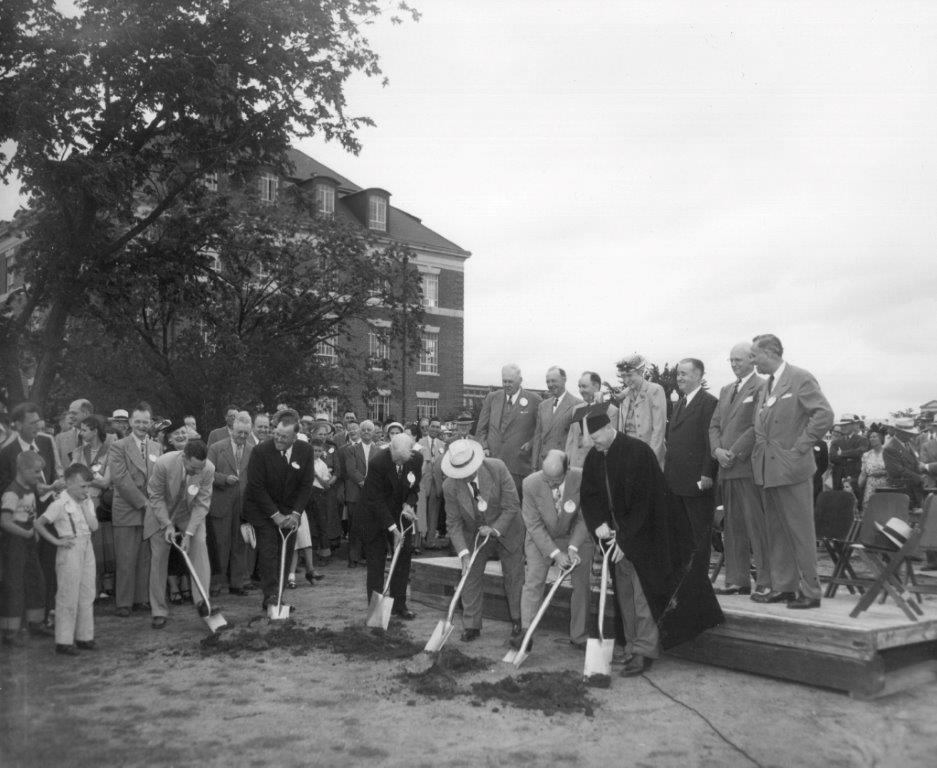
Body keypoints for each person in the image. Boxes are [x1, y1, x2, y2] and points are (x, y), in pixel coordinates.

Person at [580, 412, 723, 677]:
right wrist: (598, 522)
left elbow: (647, 502)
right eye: (591, 440)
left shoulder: (638, 452)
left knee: (641, 594)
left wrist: (626, 538)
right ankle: (631, 644)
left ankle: (645, 651)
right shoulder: (594, 456)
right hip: (615, 537)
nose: (594, 444)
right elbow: (589, 495)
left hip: (646, 537)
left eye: (597, 437)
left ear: (609, 428)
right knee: (623, 594)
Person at [751, 334, 834, 609]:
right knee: (776, 532)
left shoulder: (800, 377)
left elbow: (823, 414)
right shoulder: (766, 386)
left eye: (755, 355)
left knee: (800, 531)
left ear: (770, 352)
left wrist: (800, 447)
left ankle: (810, 590)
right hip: (769, 471)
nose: (753, 361)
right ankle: (784, 586)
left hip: (793, 469)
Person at [441, 439, 524, 641]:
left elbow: (512, 505)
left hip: (507, 528)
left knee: (514, 576)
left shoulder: (497, 468)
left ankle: (519, 621)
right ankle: (472, 625)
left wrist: (494, 529)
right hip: (475, 533)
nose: (465, 475)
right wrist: (463, 553)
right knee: (469, 575)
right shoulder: (449, 485)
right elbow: (453, 523)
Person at [515, 449, 593, 650]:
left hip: (575, 535)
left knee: (582, 584)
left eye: (555, 480)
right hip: (542, 536)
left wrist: (573, 547)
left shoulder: (582, 478)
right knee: (533, 581)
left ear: (566, 471)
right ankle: (526, 633)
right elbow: (533, 525)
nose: (550, 484)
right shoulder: (530, 483)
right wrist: (556, 554)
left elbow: (586, 517)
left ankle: (579, 636)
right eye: (546, 479)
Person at [708, 343, 768, 595]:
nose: (734, 364)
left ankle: (766, 581)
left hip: (746, 466)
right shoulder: (725, 390)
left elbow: (758, 425)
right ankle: (736, 579)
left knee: (757, 526)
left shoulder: (763, 386)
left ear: (753, 360)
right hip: (726, 468)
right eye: (731, 360)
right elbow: (714, 425)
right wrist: (717, 451)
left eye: (739, 360)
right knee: (732, 527)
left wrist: (734, 451)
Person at [242, 409, 314, 611]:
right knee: (269, 551)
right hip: (263, 509)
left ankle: (279, 594)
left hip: (290, 511)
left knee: (286, 550)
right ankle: (271, 597)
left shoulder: (305, 450)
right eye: (277, 435)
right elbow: (256, 487)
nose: (278, 440)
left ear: (294, 436)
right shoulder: (260, 452)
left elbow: (306, 485)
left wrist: (296, 514)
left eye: (284, 437)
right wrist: (276, 516)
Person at [0, 402, 66, 624]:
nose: (37, 426)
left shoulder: (47, 442)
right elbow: (5, 487)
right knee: (24, 571)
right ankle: (21, 621)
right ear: (17, 425)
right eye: (31, 423)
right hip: (23, 519)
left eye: (38, 421)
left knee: (48, 567)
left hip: (49, 515)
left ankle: (46, 615)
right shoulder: (7, 453)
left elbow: (57, 471)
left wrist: (57, 485)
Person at [144, 439, 214, 629]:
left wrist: (189, 534)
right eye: (193, 468)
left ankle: (203, 602)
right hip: (161, 512)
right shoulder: (163, 463)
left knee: (199, 546)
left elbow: (202, 503)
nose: (197, 473)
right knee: (159, 559)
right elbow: (155, 496)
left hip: (189, 514)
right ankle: (158, 610)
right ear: (184, 457)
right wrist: (167, 524)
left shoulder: (208, 468)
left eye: (200, 468)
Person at [665, 358, 719, 586]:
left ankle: (698, 578)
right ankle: (683, 575)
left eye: (685, 374)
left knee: (699, 532)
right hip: (676, 480)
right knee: (680, 531)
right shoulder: (679, 403)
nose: (679, 378)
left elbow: (711, 441)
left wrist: (707, 473)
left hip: (697, 480)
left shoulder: (709, 403)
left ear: (699, 375)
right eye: (678, 374)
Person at [357, 433, 422, 620]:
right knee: (376, 563)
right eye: (397, 458)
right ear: (391, 448)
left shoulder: (416, 459)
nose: (400, 462)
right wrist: (393, 529)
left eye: (403, 459)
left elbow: (414, 488)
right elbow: (375, 500)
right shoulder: (378, 462)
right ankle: (376, 610)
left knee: (402, 559)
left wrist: (408, 503)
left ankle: (399, 605)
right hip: (374, 517)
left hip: (401, 514)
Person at [35, 464, 99, 654]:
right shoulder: (59, 503)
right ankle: (63, 641)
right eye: (82, 487)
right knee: (67, 594)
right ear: (68, 484)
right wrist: (56, 541)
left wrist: (85, 505)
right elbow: (39, 523)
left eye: (88, 486)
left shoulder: (86, 502)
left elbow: (94, 527)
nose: (85, 490)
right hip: (69, 549)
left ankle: (84, 636)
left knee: (87, 592)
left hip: (87, 546)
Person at [108, 402, 163, 617]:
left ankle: (141, 599)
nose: (141, 425)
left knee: (145, 558)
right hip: (128, 509)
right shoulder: (118, 446)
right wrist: (144, 503)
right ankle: (123, 603)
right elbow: (121, 480)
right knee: (125, 559)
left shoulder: (157, 447)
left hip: (150, 510)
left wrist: (156, 503)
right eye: (138, 421)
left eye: (145, 422)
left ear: (150, 424)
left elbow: (159, 478)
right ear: (130, 422)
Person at [0, 452, 54, 646]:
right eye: (36, 471)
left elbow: (33, 511)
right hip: (14, 544)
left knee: (35, 579)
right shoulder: (11, 493)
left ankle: (36, 623)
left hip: (30, 541)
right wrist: (25, 534)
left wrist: (34, 532)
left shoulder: (30, 488)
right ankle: (10, 631)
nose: (39, 475)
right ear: (23, 470)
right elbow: (5, 521)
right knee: (14, 584)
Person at [475, 363, 542, 502]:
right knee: (492, 506)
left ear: (520, 380)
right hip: (491, 463)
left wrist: (531, 443)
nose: (506, 384)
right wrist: (484, 446)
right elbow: (481, 429)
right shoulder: (492, 398)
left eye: (510, 381)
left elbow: (541, 430)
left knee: (516, 507)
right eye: (504, 381)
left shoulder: (535, 400)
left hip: (519, 465)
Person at [206, 413, 254, 595]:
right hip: (221, 503)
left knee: (239, 544)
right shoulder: (217, 448)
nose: (242, 436)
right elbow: (206, 473)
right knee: (220, 544)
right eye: (240, 432)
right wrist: (224, 479)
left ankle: (237, 583)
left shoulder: (252, 449)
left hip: (243, 505)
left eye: (246, 433)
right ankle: (216, 584)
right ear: (232, 429)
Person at [611, 353, 667, 469]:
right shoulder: (624, 395)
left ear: (641, 372)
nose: (626, 380)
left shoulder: (655, 390)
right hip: (628, 456)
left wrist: (651, 459)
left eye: (629, 375)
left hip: (648, 455)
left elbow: (659, 430)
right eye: (623, 376)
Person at [531, 366, 583, 471]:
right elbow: (538, 436)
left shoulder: (577, 405)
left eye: (553, 381)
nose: (550, 385)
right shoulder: (543, 405)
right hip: (543, 463)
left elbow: (578, 440)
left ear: (564, 379)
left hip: (562, 463)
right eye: (548, 382)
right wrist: (534, 464)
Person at [339, 419, 376, 568]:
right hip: (355, 492)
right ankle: (353, 558)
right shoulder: (351, 449)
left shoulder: (379, 450)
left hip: (372, 493)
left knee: (370, 525)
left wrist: (371, 486)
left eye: (369, 429)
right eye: (364, 429)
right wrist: (363, 483)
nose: (366, 432)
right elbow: (351, 470)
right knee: (354, 525)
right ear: (360, 432)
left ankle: (368, 556)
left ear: (373, 432)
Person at [565, 371, 619, 469]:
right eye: (579, 387)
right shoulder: (577, 409)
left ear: (596, 386)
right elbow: (571, 440)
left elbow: (608, 443)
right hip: (575, 467)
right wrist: (566, 463)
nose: (581, 390)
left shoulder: (611, 411)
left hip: (596, 467)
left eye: (584, 386)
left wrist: (598, 407)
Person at [883, 418, 927, 508]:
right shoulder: (890, 448)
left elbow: (915, 460)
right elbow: (896, 471)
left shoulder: (909, 443)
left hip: (914, 489)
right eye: (906, 433)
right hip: (902, 490)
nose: (910, 435)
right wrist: (918, 477)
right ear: (898, 432)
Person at [417, 417, 445, 550]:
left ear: (440, 429)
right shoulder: (419, 443)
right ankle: (419, 540)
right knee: (421, 511)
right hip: (423, 482)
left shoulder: (443, 445)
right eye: (432, 426)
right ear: (428, 428)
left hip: (436, 483)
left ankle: (431, 541)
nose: (434, 429)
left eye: (437, 427)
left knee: (434, 512)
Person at [830, 414, 868, 499]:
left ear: (852, 425)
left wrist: (842, 453)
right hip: (838, 477)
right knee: (838, 503)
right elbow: (832, 457)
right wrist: (850, 458)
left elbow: (860, 452)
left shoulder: (862, 440)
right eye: (841, 425)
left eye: (845, 425)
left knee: (854, 503)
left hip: (854, 477)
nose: (843, 427)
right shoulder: (836, 442)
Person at [54, 399, 94, 469]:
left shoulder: (104, 438)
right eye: (70, 413)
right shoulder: (60, 438)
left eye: (74, 413)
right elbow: (56, 467)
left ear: (87, 414)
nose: (70, 416)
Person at [858, 429, 889, 508]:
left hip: (885, 484)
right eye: (870, 437)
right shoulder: (866, 455)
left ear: (881, 438)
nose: (872, 439)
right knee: (869, 509)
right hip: (870, 485)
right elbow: (863, 473)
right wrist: (858, 486)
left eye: (874, 437)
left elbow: (893, 470)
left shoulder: (888, 453)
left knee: (883, 508)